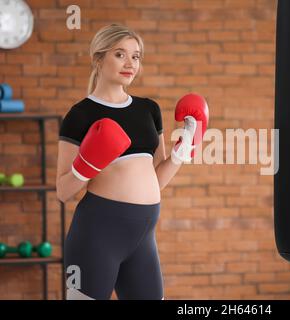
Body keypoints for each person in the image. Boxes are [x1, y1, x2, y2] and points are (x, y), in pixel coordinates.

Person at [56, 24, 209, 300]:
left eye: (136, 56)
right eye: (120, 54)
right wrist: (88, 163)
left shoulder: (148, 109)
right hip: (96, 234)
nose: (130, 64)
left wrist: (184, 146)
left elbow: (157, 178)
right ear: (99, 59)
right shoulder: (80, 114)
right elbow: (63, 191)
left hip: (143, 237)